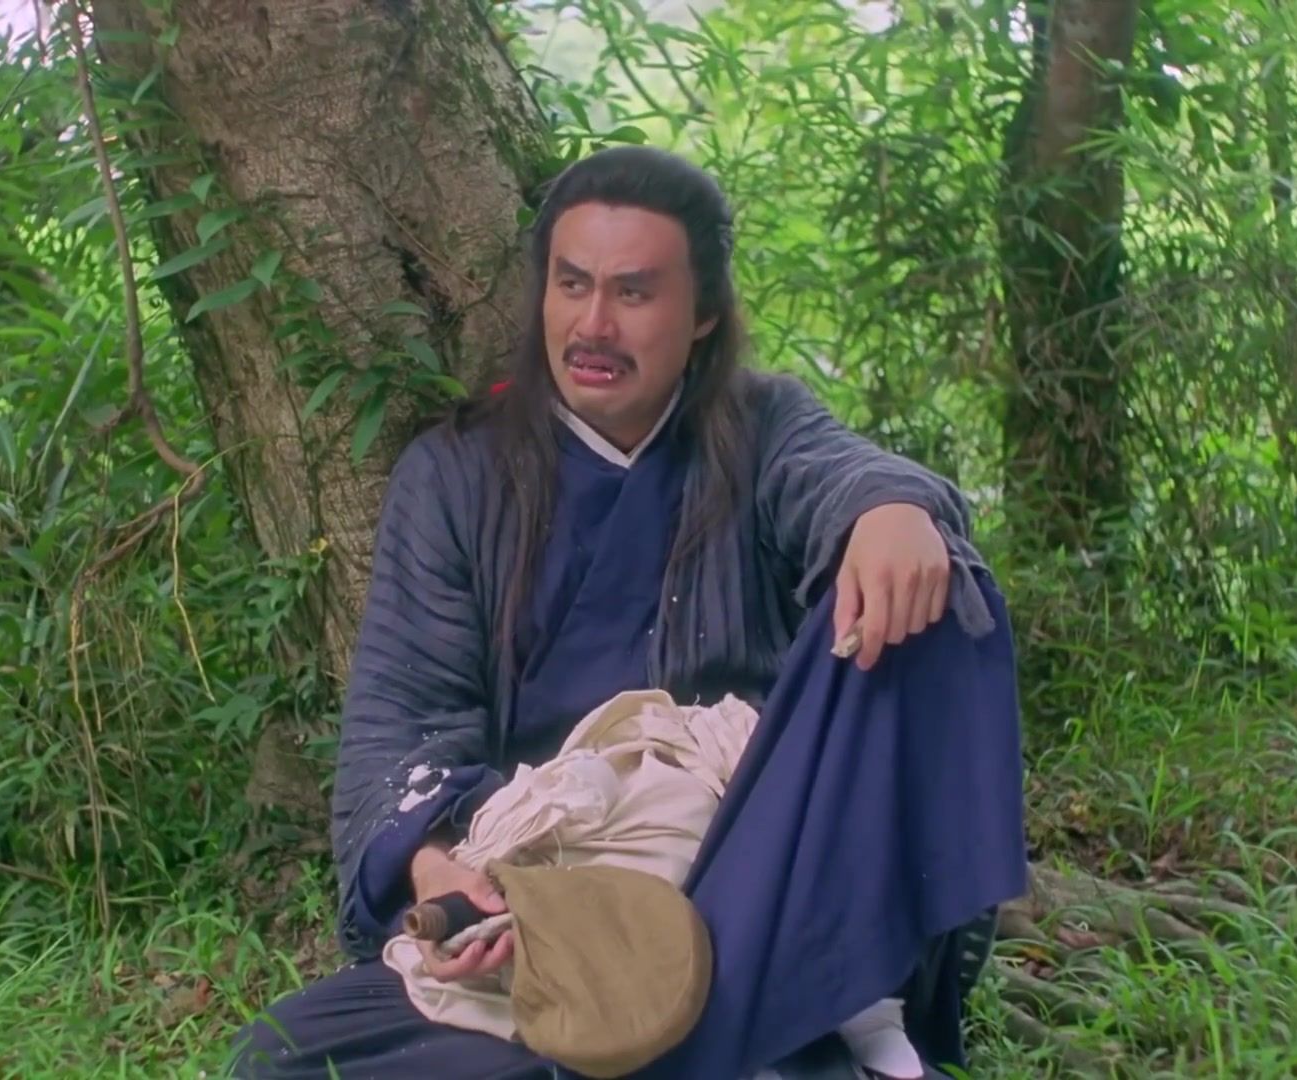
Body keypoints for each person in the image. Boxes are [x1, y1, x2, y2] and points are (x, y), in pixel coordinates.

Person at [230, 145, 1028, 1080]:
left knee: (930, 591)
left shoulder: (760, 427)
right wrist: (447, 874)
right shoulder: (453, 476)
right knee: (286, 1054)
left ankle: (742, 1019)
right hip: (560, 899)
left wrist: (891, 510)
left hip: (754, 876)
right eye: (572, 285)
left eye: (635, 293)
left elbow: (842, 473)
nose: (593, 325)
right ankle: (749, 1042)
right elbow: (402, 721)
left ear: (704, 314)